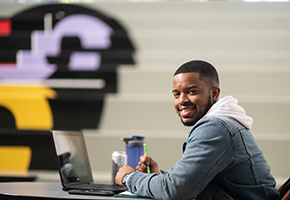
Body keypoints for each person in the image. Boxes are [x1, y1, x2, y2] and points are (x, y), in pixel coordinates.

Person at [115, 60, 280, 200]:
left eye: (192, 92)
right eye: (176, 94)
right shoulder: (224, 121)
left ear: (214, 93)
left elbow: (174, 190)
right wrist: (157, 177)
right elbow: (187, 185)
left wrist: (129, 177)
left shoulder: (216, 127)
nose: (182, 101)